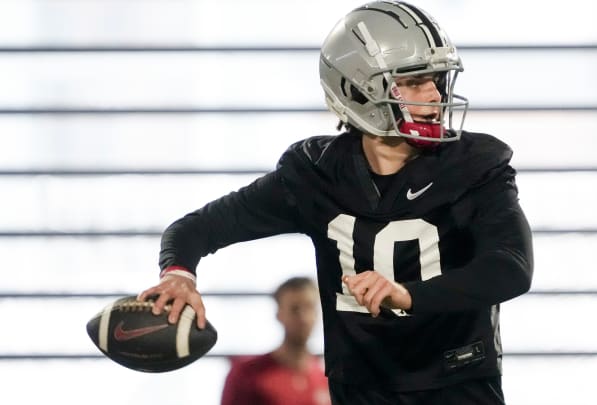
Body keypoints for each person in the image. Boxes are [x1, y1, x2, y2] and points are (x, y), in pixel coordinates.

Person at [139, 1, 533, 404]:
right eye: (414, 81)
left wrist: (409, 294)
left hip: (456, 386)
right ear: (356, 88)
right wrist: (179, 276)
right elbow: (196, 228)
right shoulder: (317, 173)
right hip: (360, 390)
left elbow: (511, 267)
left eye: (436, 80)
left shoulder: (474, 166)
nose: (434, 94)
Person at [220, 277, 330, 405]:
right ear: (279, 314)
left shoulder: (326, 379)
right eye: (295, 309)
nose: (303, 318)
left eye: (309, 308)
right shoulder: (247, 374)